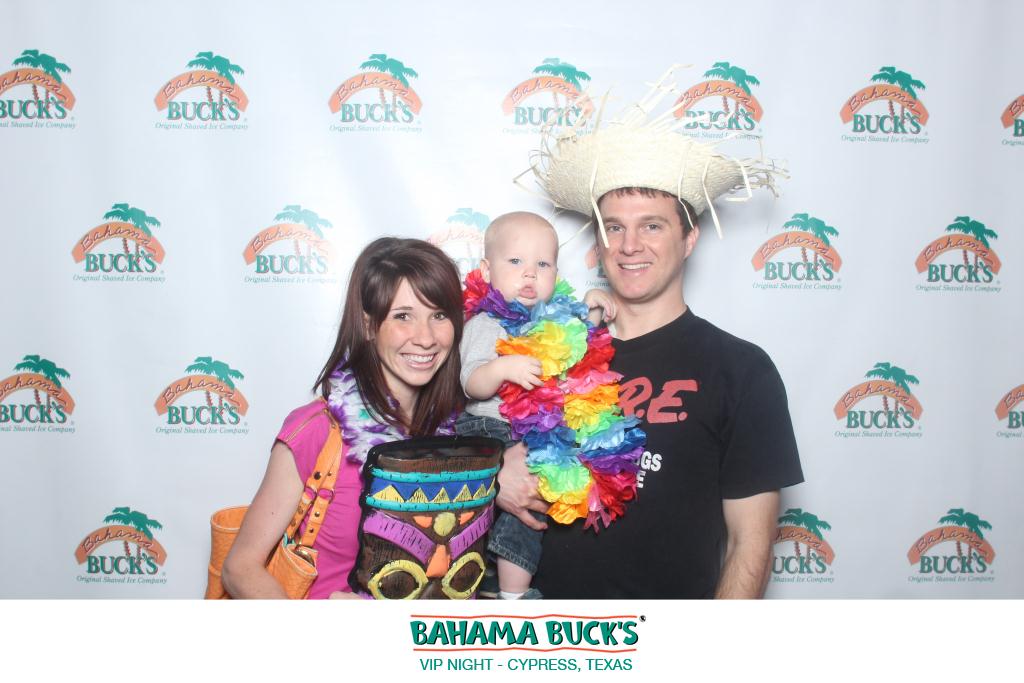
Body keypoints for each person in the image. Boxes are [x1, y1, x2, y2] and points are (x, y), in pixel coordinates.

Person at [497, 68, 804, 598]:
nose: (629, 245)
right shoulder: (548, 347)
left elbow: (749, 545)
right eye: (614, 227)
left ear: (689, 239)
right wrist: (491, 476)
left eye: (652, 226)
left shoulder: (740, 370)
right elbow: (464, 437)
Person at [221, 237, 465, 599]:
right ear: (368, 326)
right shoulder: (318, 430)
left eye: (439, 315)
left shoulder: (460, 435)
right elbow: (239, 568)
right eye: (403, 316)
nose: (426, 338)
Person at [455, 211, 614, 600]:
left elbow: (577, 353)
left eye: (542, 264)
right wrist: (502, 368)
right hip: (488, 429)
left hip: (531, 430)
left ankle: (505, 588)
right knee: (519, 497)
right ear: (486, 270)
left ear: (556, 274)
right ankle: (508, 593)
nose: (529, 273)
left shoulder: (551, 322)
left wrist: (592, 311)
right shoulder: (486, 323)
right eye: (515, 261)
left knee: (533, 503)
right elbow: (471, 384)